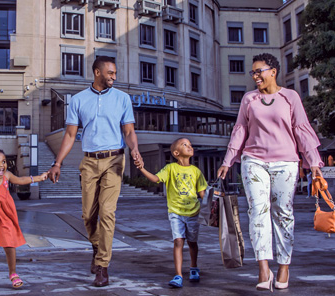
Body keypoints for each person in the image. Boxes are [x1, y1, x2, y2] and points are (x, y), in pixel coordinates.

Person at [217, 53, 323, 291]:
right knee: (257, 212)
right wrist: (228, 159)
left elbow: (302, 130)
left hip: (285, 162)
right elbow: (240, 129)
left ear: (273, 71)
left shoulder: (290, 97)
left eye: (259, 71)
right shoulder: (249, 99)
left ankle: (284, 265)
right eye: (252, 73)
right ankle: (263, 267)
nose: (255, 76)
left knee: (283, 213)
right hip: (253, 160)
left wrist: (314, 162)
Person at [47, 56, 143, 287]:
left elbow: (128, 131)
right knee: (88, 215)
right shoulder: (79, 100)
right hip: (89, 162)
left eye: (115, 73)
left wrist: (135, 149)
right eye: (110, 73)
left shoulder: (122, 98)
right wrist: (57, 163)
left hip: (114, 160)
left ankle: (102, 266)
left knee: (107, 213)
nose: (114, 77)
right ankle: (96, 246)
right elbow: (70, 135)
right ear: (97, 72)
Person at [0, 148, 48, 292]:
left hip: (5, 216)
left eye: (4, 162)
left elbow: (21, 180)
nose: (1, 165)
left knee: (9, 245)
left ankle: (13, 274)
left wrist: (39, 178)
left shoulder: (7, 176)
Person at [136, 138, 207, 288]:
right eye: (185, 144)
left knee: (192, 242)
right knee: (178, 241)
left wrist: (216, 203)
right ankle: (178, 275)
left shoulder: (196, 171)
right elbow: (156, 179)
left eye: (190, 144)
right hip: (175, 212)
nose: (189, 146)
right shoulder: (170, 169)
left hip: (193, 212)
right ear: (176, 153)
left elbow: (202, 193)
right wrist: (142, 168)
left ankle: (194, 267)